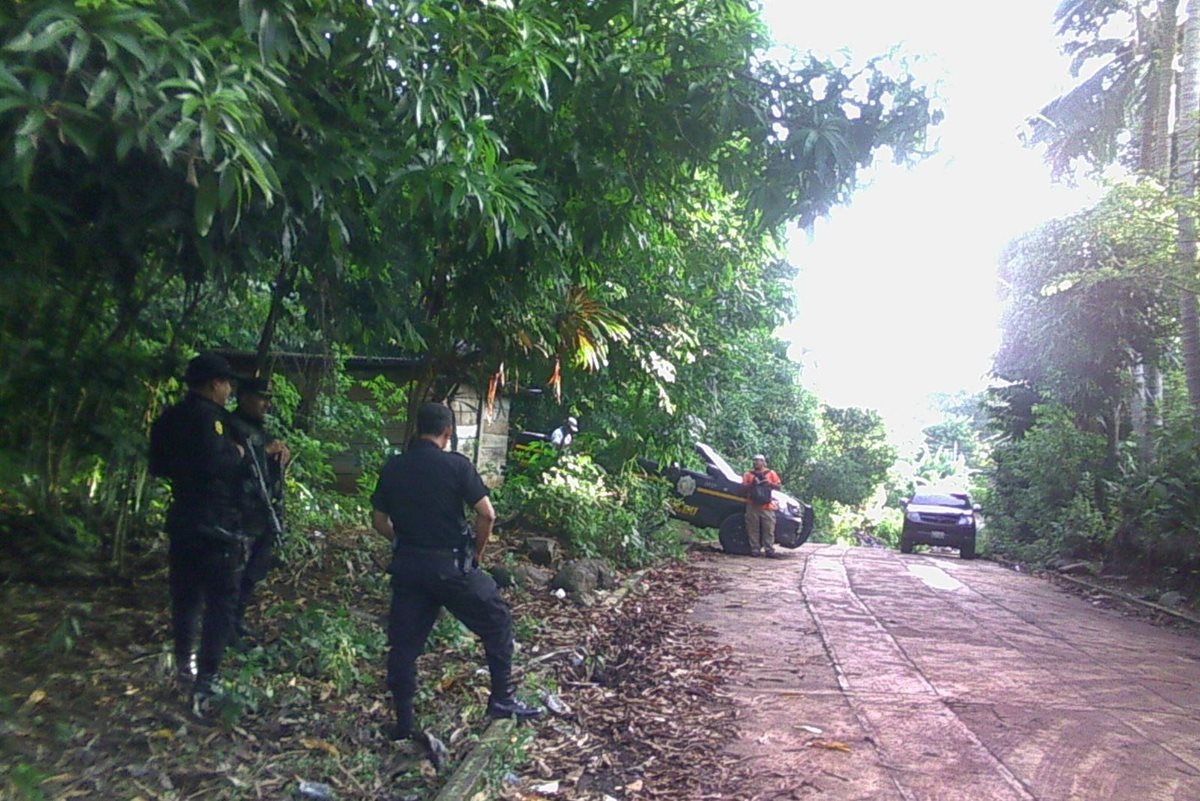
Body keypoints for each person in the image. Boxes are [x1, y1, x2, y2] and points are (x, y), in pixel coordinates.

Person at [371, 402, 542, 742]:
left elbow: (378, 520)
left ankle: (403, 723)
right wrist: (475, 554)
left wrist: (403, 541)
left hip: (409, 569)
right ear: (447, 433)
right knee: (497, 621)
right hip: (452, 568)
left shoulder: (394, 468)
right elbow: (487, 514)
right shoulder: (456, 466)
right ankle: (501, 700)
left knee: (404, 646)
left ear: (417, 428)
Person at [148, 352, 251, 716]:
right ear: (213, 384)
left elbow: (157, 466)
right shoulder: (213, 420)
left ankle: (182, 660)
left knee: (185, 595)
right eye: (226, 383)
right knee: (221, 599)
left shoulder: (168, 417)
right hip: (215, 520)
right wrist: (236, 454)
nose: (229, 390)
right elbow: (215, 463)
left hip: (183, 518)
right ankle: (206, 675)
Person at [229, 376, 290, 641]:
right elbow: (229, 466)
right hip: (238, 511)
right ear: (244, 398)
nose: (266, 404)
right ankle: (226, 623)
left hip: (260, 511)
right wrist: (263, 452)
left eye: (268, 399)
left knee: (254, 571)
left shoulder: (260, 429)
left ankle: (236, 618)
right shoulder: (231, 427)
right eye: (261, 398)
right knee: (235, 570)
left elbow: (269, 476)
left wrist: (279, 459)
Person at [742, 454, 782, 558]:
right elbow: (742, 488)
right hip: (752, 505)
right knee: (752, 529)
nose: (756, 463)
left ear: (764, 462)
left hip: (767, 506)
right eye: (754, 461)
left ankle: (769, 549)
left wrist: (769, 483)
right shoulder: (748, 474)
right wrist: (752, 484)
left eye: (758, 461)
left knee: (769, 529)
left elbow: (778, 487)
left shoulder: (771, 473)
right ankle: (755, 549)